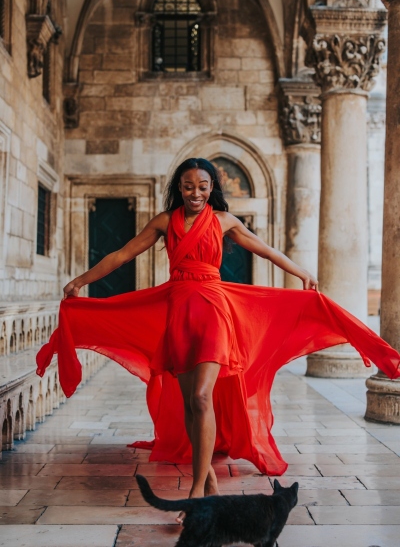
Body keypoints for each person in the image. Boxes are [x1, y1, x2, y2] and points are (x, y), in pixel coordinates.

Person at [37, 157, 400, 521]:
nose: (196, 192)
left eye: (203, 186)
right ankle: (208, 477)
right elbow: (122, 254)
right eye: (189, 185)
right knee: (190, 407)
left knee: (200, 396)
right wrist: (81, 281)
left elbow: (264, 249)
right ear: (179, 188)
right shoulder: (165, 222)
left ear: (213, 188)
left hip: (214, 311)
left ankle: (197, 493)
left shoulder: (224, 221)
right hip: (178, 314)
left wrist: (300, 271)